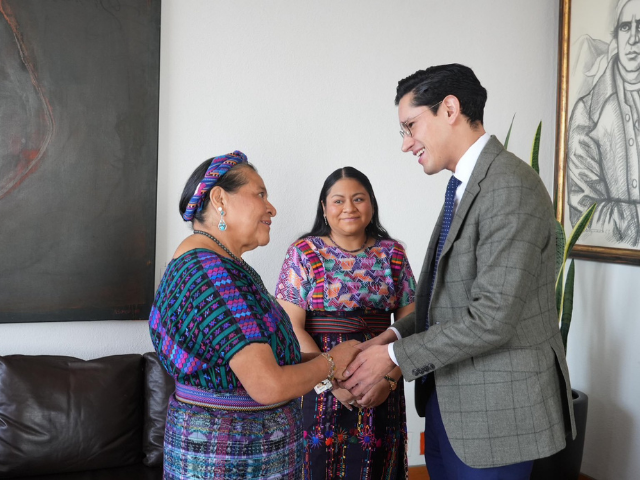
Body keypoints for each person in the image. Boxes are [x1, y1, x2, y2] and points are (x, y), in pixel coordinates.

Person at [341, 64, 576, 480]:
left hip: (497, 421)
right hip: (450, 405)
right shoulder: (465, 185)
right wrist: (393, 335)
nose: (406, 143)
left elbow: (491, 318)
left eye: (411, 126)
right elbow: (447, 300)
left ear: (449, 109)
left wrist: (392, 358)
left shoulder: (510, 186)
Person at [148, 151, 360, 480]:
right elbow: (267, 384)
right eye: (260, 194)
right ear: (220, 199)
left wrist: (329, 365)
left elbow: (256, 362)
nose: (271, 208)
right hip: (230, 462)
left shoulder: (217, 265)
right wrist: (331, 362)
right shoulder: (211, 273)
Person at [275, 166, 416, 479]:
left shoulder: (392, 253)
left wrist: (389, 379)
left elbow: (412, 323)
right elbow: (291, 327)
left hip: (382, 379)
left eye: (358, 199)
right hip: (319, 382)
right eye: (338, 201)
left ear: (371, 204)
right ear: (324, 208)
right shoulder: (303, 253)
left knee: (378, 467)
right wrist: (329, 381)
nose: (349, 208)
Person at [567, 0, 640, 247]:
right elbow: (583, 217)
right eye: (625, 27)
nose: (633, 38)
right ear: (616, 36)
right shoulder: (587, 113)